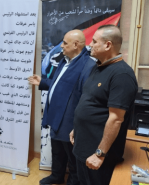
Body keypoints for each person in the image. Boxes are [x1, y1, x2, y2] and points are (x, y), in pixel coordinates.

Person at [70, 25, 138, 185]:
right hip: (82, 147)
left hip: (98, 155)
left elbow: (116, 119)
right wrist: (77, 128)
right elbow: (91, 101)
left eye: (94, 41)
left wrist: (100, 154)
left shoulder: (122, 75)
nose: (89, 45)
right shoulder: (99, 67)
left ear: (108, 45)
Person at [28, 30, 95, 185]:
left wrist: (78, 124)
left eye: (65, 43)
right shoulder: (66, 60)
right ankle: (56, 176)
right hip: (56, 115)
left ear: (76, 45)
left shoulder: (88, 65)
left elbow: (86, 97)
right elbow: (59, 84)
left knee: (72, 156)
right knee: (57, 151)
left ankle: (73, 181)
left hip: (70, 119)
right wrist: (42, 82)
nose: (61, 46)